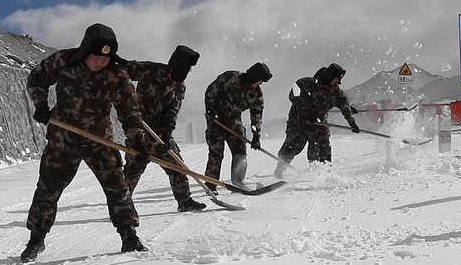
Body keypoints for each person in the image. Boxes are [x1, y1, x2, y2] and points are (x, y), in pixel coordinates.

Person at [21, 23, 156, 262]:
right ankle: (36, 239)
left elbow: (130, 113)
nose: (100, 62)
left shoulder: (117, 75)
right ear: (85, 51)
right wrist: (41, 104)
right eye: (95, 56)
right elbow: (36, 79)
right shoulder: (63, 61)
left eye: (106, 57)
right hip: (63, 139)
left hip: (99, 140)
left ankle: (128, 235)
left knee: (117, 186)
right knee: (48, 189)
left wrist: (139, 142)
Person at [119, 46, 206, 212]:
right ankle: (121, 208)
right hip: (139, 130)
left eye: (189, 69)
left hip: (159, 133)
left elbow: (173, 112)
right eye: (186, 67)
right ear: (177, 64)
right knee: (132, 171)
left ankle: (185, 201)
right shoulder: (152, 70)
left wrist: (167, 133)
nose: (187, 71)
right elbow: (128, 68)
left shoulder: (180, 87)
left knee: (177, 166)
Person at [274, 63, 359, 178]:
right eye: (336, 79)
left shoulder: (336, 91)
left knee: (322, 144)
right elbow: (292, 95)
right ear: (330, 76)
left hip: (319, 120)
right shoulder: (307, 83)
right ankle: (280, 170)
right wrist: (304, 105)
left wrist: (352, 123)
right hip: (299, 118)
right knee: (294, 144)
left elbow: (344, 106)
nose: (338, 82)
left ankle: (324, 172)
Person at [203, 62, 272, 190]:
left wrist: (256, 135)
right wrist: (210, 111)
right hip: (216, 119)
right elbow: (210, 92)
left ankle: (238, 181)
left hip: (234, 121)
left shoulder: (256, 94)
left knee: (240, 151)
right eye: (260, 81)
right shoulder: (230, 77)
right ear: (254, 77)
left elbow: (257, 113)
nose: (260, 84)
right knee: (216, 153)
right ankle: (211, 183)